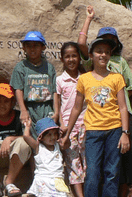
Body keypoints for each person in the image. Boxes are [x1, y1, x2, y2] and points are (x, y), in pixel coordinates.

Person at [77, 8, 132, 195]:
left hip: (119, 117)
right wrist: (88, 18)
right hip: (97, 124)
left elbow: (130, 86)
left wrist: (118, 103)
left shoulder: (120, 62)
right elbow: (81, 43)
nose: (104, 51)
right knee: (95, 169)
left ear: (115, 44)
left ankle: (127, 189)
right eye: (102, 42)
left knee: (120, 163)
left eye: (111, 42)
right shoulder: (91, 65)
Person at [61, 38, 131, 197]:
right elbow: (77, 108)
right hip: (93, 131)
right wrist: (67, 134)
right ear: (91, 55)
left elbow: (123, 107)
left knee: (112, 171)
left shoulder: (116, 78)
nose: (103, 55)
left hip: (114, 129)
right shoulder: (84, 79)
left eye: (107, 52)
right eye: (99, 51)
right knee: (92, 172)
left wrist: (125, 133)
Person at [54, 41, 88, 197]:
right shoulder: (60, 80)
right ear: (62, 59)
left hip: (87, 125)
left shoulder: (86, 78)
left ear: (79, 58)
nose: (71, 59)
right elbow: (58, 105)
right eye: (67, 56)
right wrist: (62, 124)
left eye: (74, 55)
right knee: (73, 163)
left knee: (88, 161)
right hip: (69, 127)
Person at [12, 30, 56, 124]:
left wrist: (56, 111)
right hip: (29, 108)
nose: (32, 49)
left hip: (47, 107)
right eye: (29, 46)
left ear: (43, 47)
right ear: (24, 48)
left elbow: (55, 90)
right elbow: (18, 89)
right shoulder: (21, 67)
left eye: (36, 45)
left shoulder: (49, 67)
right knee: (29, 136)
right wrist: (23, 110)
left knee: (48, 136)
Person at [23, 118, 72, 196]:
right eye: (49, 134)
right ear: (41, 137)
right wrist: (28, 126)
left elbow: (68, 144)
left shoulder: (58, 146)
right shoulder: (38, 147)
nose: (53, 137)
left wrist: (64, 133)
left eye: (55, 134)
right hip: (43, 180)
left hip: (58, 180)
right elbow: (26, 136)